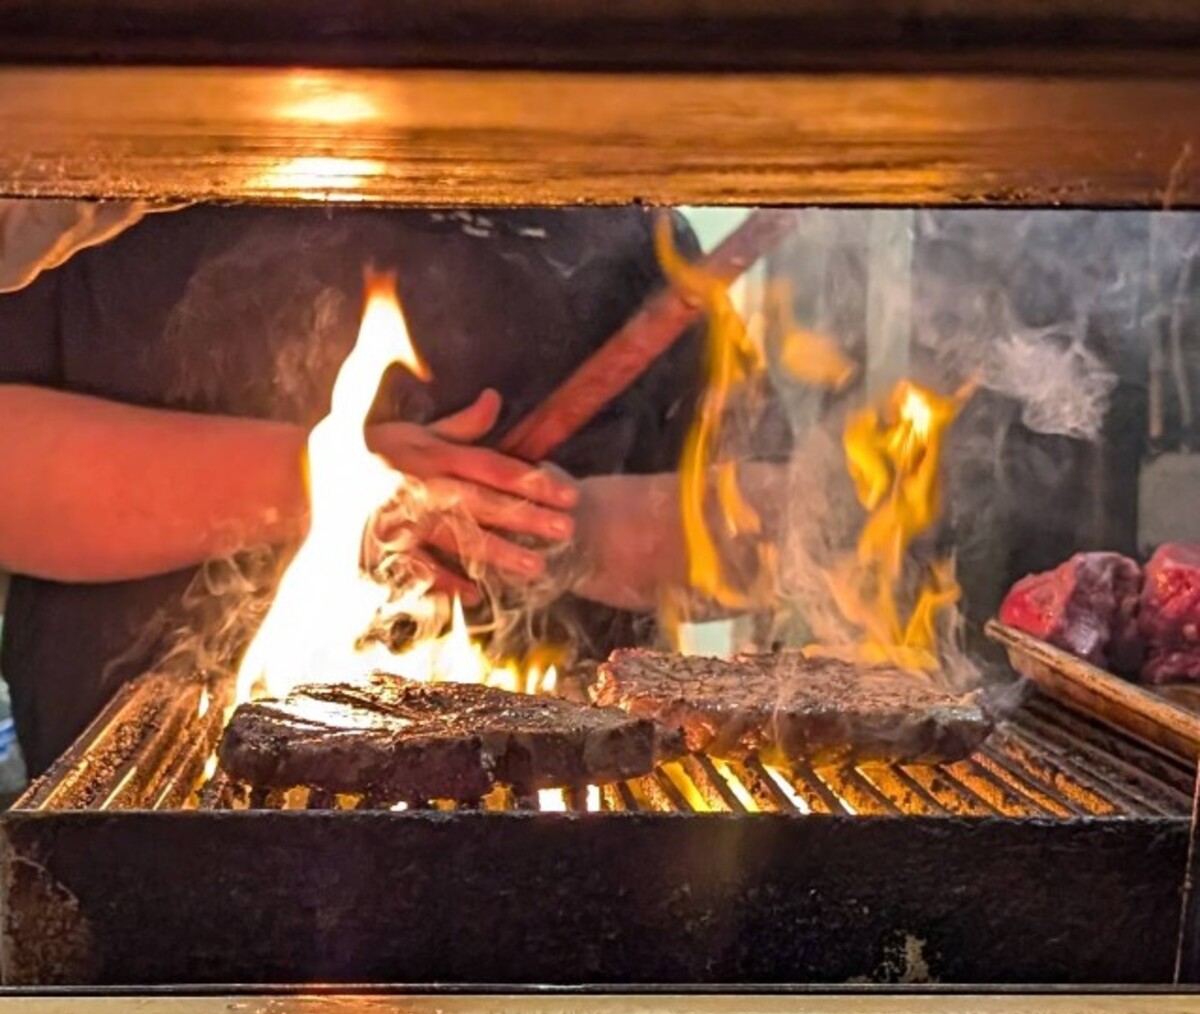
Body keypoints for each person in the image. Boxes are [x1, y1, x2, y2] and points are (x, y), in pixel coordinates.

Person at [0, 204, 703, 775]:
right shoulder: (83, 202)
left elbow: (759, 522)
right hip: (145, 818)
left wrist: (576, 532)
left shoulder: (630, 223)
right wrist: (336, 485)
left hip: (572, 822)